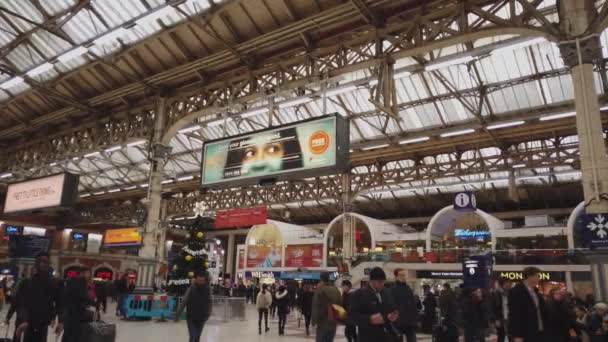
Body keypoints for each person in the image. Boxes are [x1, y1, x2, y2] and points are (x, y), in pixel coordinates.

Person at [15, 253, 64, 342]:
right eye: (39, 262)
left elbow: (60, 303)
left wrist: (61, 321)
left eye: (45, 261)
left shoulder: (56, 283)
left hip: (45, 323)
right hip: (29, 321)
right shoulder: (26, 283)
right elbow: (21, 303)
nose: (42, 264)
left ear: (49, 264)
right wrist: (24, 320)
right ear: (35, 264)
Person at [348, 267, 400, 342]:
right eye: (379, 282)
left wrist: (393, 314)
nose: (382, 284)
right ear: (371, 281)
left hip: (387, 337)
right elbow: (351, 317)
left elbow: (390, 308)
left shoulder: (386, 292)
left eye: (383, 282)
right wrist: (370, 319)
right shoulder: (359, 294)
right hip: (368, 337)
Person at [508, 266, 548, 342]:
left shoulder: (536, 292)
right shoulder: (516, 291)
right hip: (526, 333)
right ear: (530, 277)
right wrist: (517, 335)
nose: (539, 279)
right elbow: (515, 314)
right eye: (537, 276)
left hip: (539, 331)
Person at [175, 273, 212, 342]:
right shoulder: (191, 289)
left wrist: (209, 313)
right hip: (191, 317)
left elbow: (210, 302)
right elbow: (184, 301)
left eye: (202, 281)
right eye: (199, 280)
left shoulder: (208, 290)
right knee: (193, 336)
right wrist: (178, 313)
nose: (200, 282)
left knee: (197, 337)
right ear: (196, 280)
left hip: (202, 317)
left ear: (204, 281)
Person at [61, 268, 97, 342]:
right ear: (82, 273)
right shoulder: (80, 281)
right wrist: (92, 301)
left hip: (70, 313)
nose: (89, 276)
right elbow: (82, 296)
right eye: (88, 273)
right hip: (75, 314)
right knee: (74, 335)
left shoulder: (72, 280)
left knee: (68, 335)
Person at [388, 269, 417, 342]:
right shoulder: (392, 290)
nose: (403, 277)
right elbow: (392, 305)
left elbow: (413, 304)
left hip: (410, 322)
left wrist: (415, 318)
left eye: (404, 275)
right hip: (398, 322)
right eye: (401, 275)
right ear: (396, 277)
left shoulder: (408, 289)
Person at [312, 272, 343, 342]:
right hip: (333, 320)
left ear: (321, 279)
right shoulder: (335, 289)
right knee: (330, 340)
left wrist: (314, 321)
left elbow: (316, 306)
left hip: (322, 320)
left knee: (320, 339)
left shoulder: (319, 290)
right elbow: (340, 304)